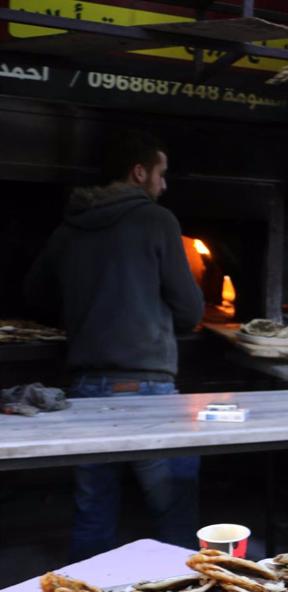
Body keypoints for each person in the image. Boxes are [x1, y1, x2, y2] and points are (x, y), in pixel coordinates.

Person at [24, 130, 204, 561]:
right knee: (174, 507)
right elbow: (190, 308)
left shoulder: (70, 226)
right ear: (139, 172)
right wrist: (157, 321)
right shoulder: (157, 220)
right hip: (148, 390)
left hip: (85, 387)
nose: (164, 185)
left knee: (93, 508)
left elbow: (34, 297)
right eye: (161, 174)